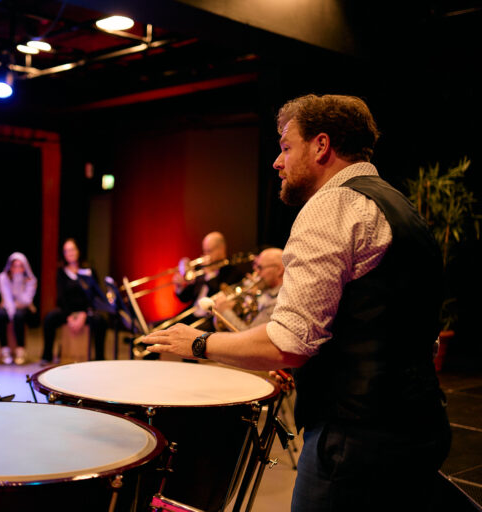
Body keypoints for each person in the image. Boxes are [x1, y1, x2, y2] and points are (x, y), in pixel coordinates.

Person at [144, 94, 450, 511]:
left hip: (354, 441)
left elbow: (288, 345)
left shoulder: (332, 205)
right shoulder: (400, 207)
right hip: (419, 425)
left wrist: (197, 343)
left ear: (321, 146)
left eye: (287, 146)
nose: (277, 160)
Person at [40, 239, 109, 364]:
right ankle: (47, 355)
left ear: (78, 251)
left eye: (72, 249)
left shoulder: (89, 271)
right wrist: (69, 316)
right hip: (67, 311)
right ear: (63, 254)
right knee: (49, 318)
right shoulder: (61, 272)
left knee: (101, 321)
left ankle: (100, 358)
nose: (70, 253)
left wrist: (84, 314)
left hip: (86, 311)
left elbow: (94, 296)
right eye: (66, 251)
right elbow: (61, 297)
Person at [172, 231, 242, 330]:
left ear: (221, 249)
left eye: (209, 251)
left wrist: (210, 274)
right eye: (204, 251)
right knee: (159, 329)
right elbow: (186, 298)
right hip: (191, 314)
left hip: (209, 320)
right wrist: (179, 287)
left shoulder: (233, 273)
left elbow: (219, 297)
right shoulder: (201, 270)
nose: (205, 255)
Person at [213, 247, 284, 331]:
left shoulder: (278, 301)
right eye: (256, 267)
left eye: (260, 268)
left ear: (279, 270)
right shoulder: (266, 291)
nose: (256, 272)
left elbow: (248, 334)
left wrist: (225, 311)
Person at [0, 252, 37, 365]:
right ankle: (5, 350)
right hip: (9, 306)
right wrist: (12, 310)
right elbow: (7, 297)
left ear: (25, 267)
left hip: (24, 308)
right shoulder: (3, 277)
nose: (17, 269)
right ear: (10, 266)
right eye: (15, 266)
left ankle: (20, 350)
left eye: (20, 266)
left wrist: (18, 281)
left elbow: (26, 300)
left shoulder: (31, 279)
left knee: (19, 315)